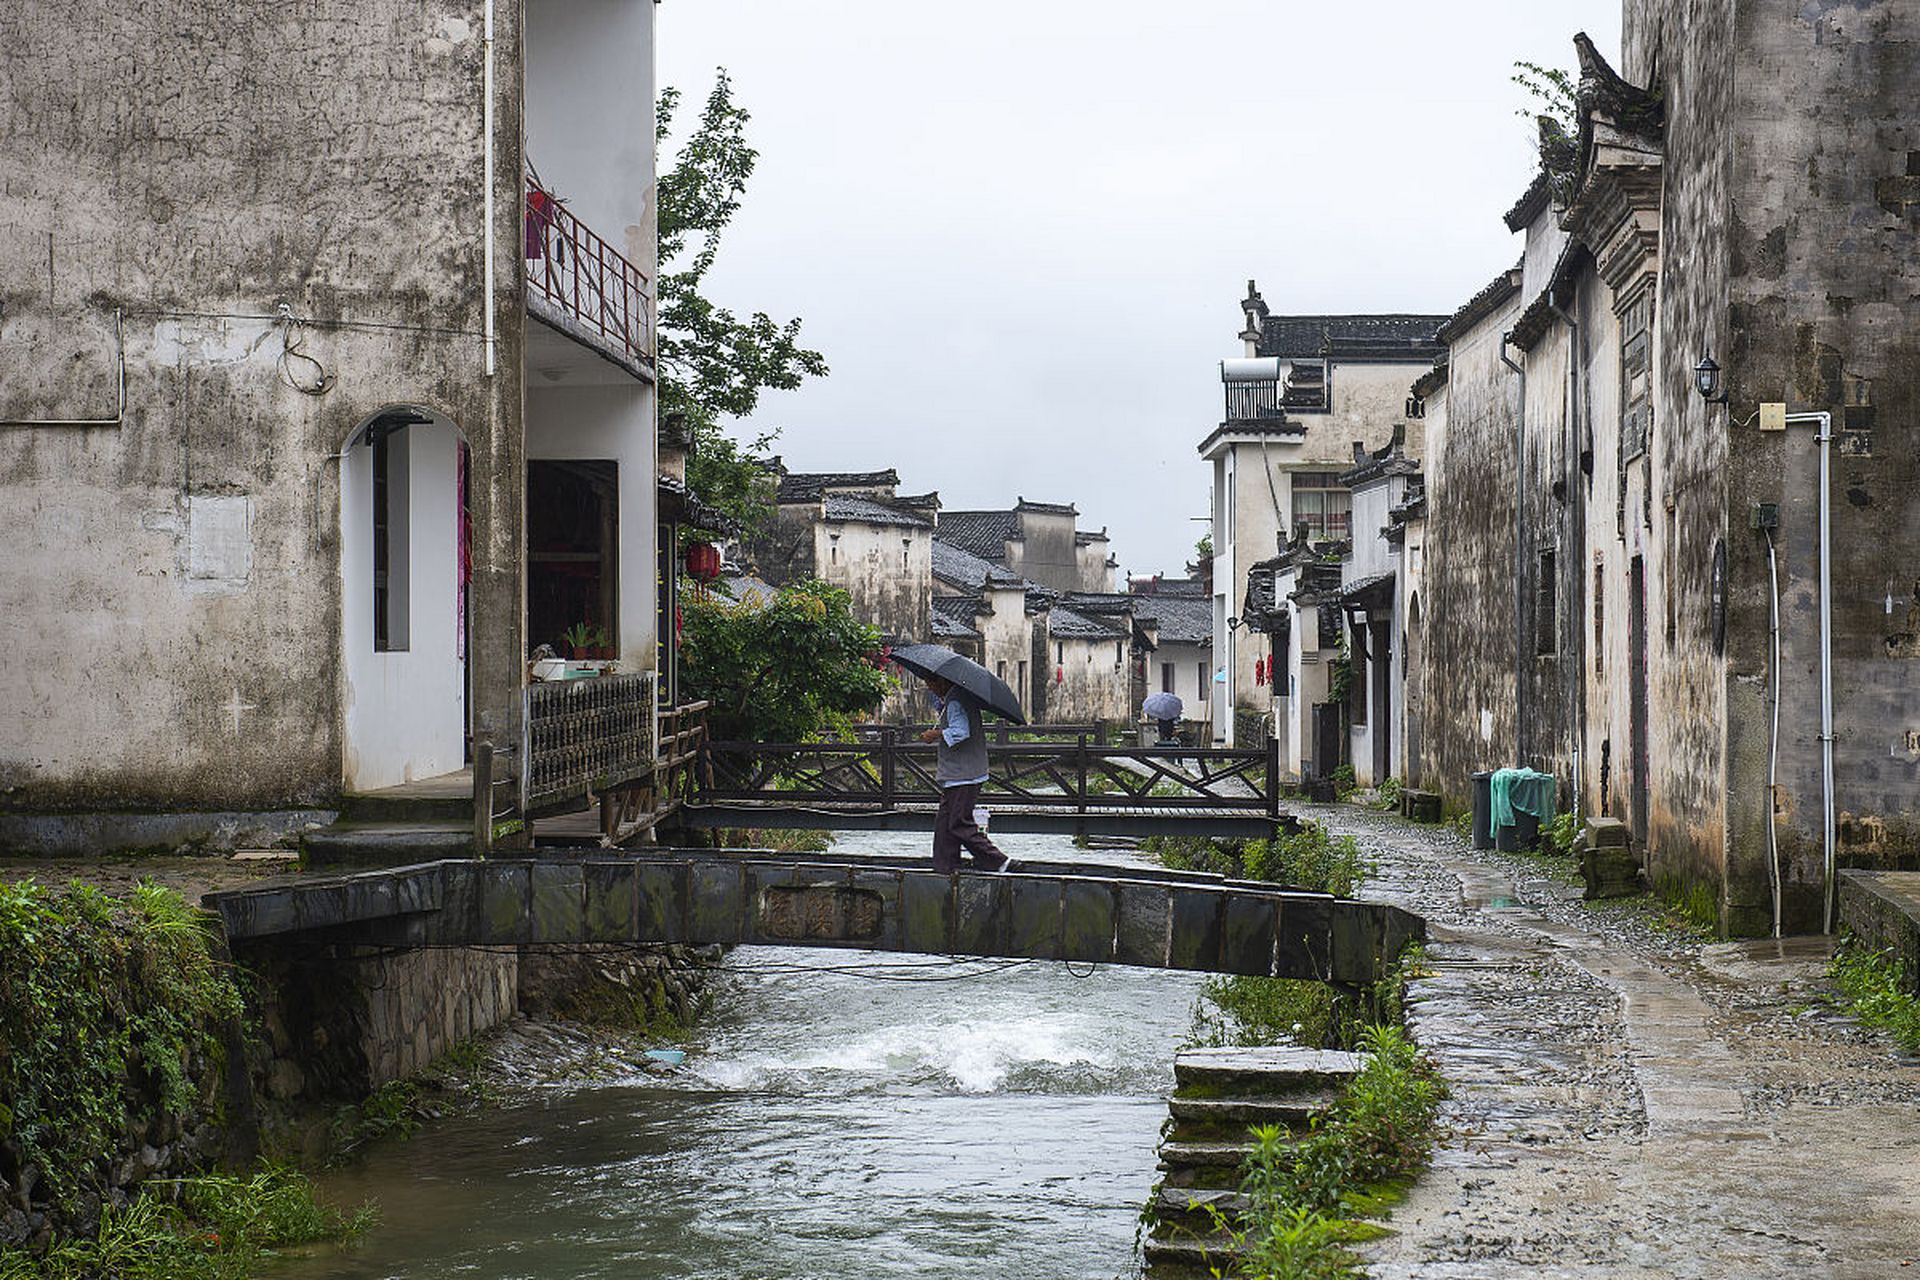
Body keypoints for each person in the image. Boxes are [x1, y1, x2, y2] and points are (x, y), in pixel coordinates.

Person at [918, 675, 1014, 873]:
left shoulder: (955, 701)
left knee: (959, 823)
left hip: (963, 774)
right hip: (958, 774)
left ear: (942, 682)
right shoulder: (956, 699)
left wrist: (935, 734)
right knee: (944, 825)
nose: (932, 689)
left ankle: (999, 861)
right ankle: (946, 867)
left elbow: (961, 732)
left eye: (932, 684)